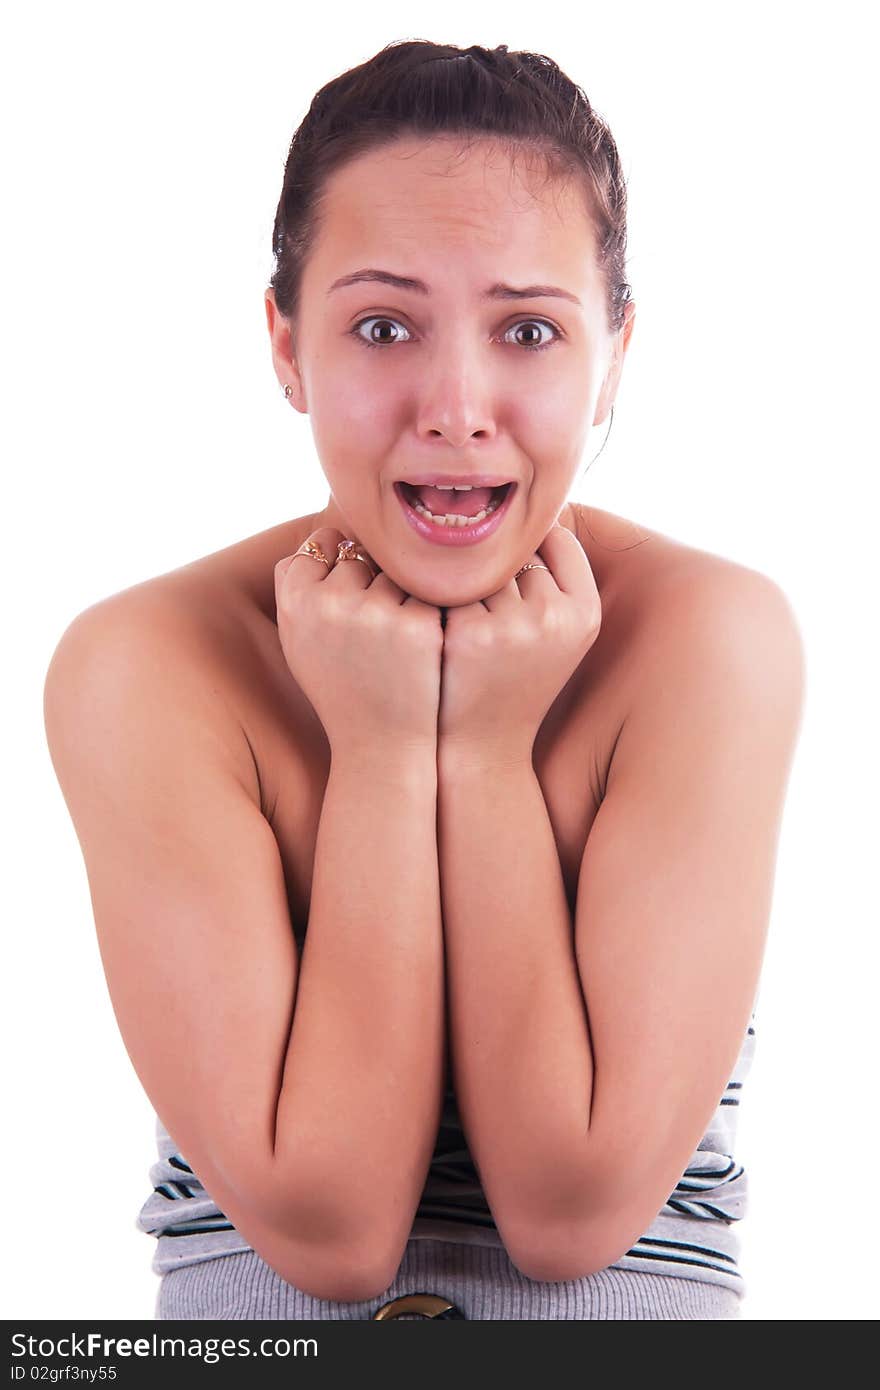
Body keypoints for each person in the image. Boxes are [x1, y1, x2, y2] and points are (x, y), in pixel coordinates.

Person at [42, 39, 805, 1320]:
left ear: (615, 350)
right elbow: (329, 1231)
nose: (457, 405)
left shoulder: (710, 638)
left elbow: (570, 1214)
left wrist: (481, 752)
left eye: (527, 330)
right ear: (285, 344)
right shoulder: (148, 663)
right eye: (384, 326)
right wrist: (390, 750)